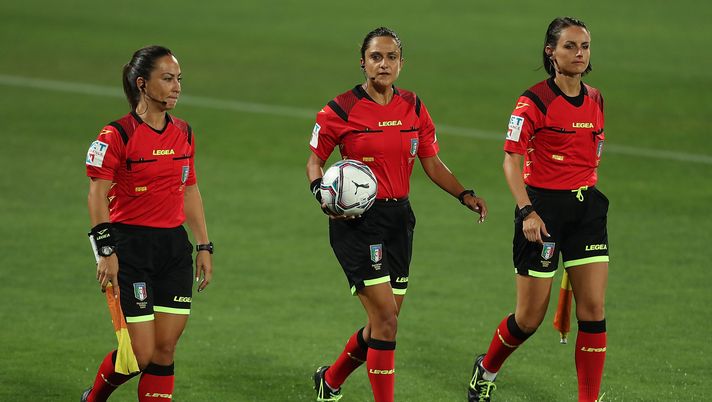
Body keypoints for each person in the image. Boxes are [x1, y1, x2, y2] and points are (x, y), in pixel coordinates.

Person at [307, 27, 488, 402]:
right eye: (376, 57)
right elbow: (315, 162)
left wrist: (463, 193)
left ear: (402, 63)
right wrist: (320, 193)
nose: (383, 64)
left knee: (382, 324)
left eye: (391, 57)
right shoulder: (339, 110)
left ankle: (331, 381)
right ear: (363, 62)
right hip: (357, 223)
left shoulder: (414, 107)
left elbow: (432, 162)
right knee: (386, 322)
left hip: (399, 221)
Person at [467, 17, 608, 402]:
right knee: (529, 319)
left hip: (587, 211)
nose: (579, 54)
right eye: (569, 47)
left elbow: (590, 156)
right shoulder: (532, 102)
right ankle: (487, 368)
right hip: (541, 212)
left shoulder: (596, 98)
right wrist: (527, 211)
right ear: (551, 52)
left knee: (593, 310)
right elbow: (510, 161)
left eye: (584, 47)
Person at [82, 45, 213, 402]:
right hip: (129, 249)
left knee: (165, 350)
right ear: (142, 83)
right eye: (167, 79)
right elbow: (97, 195)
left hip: (173, 249)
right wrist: (105, 251)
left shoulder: (184, 132)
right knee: (138, 355)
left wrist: (203, 245)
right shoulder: (116, 136)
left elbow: (190, 189)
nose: (176, 87)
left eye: (179, 80)